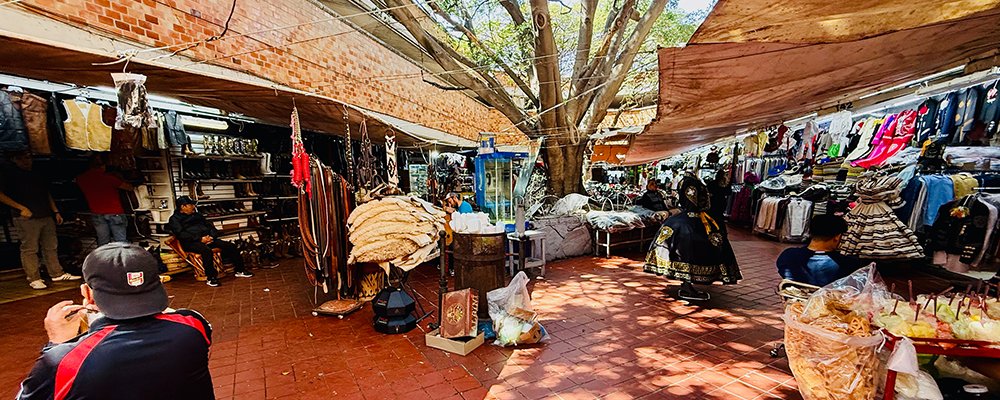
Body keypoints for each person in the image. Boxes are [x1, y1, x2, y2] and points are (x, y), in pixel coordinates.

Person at [16, 243, 214, 400]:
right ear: (159, 286)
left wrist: (56, 343)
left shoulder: (62, 360)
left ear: (87, 293)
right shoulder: (195, 326)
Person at [645, 172, 741, 301]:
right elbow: (694, 202)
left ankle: (687, 282)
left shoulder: (680, 220)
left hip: (692, 219)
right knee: (691, 250)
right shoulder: (693, 186)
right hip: (693, 221)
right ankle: (687, 284)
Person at [0, 151, 80, 290]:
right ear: (14, 160)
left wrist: (55, 211)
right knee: (30, 248)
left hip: (45, 213)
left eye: (28, 157)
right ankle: (34, 278)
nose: (26, 161)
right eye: (22, 158)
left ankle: (56, 273)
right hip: (25, 217)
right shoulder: (9, 175)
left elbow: (46, 193)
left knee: (51, 245)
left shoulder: (36, 174)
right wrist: (20, 208)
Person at [168, 196, 253, 287]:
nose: (193, 206)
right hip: (191, 242)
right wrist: (200, 239)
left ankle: (240, 270)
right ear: (183, 206)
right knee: (206, 251)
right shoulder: (174, 219)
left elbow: (210, 227)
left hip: (208, 239)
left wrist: (211, 236)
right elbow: (181, 234)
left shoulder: (197, 215)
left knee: (230, 246)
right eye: (191, 205)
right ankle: (211, 278)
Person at [777, 214, 862, 287]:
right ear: (837, 237)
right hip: (827, 300)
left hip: (793, 299)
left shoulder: (787, 255)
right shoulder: (847, 263)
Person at [76, 154, 133, 246]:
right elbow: (129, 188)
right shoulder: (109, 178)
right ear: (103, 166)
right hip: (115, 212)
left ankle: (104, 256)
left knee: (103, 242)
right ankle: (121, 255)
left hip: (97, 213)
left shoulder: (81, 178)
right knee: (121, 242)